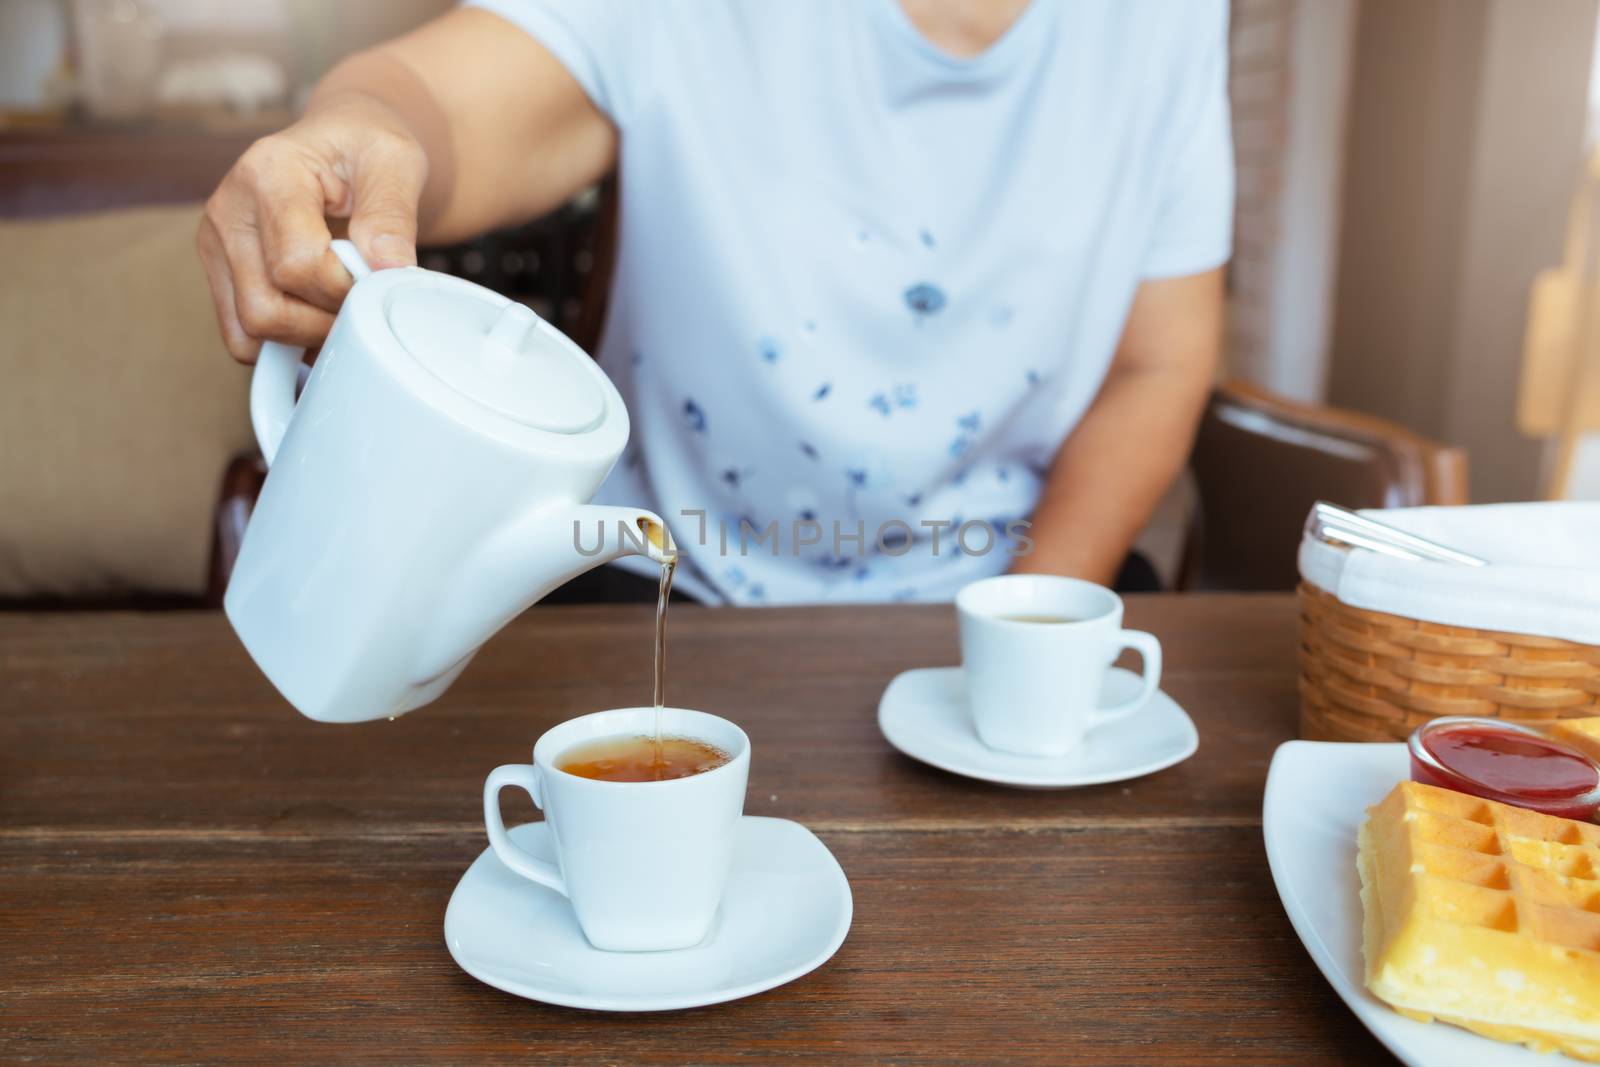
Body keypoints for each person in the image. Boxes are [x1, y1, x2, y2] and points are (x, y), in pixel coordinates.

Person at [197, 0, 1232, 605]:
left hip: (1004, 573)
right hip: (659, 580)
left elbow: (1158, 363)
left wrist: (1023, 618)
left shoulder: (1169, 25)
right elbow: (441, 102)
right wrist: (358, 128)